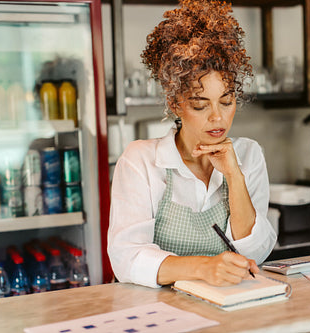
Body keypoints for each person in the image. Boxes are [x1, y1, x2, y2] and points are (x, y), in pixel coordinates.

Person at [108, 0, 277, 288]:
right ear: (176, 104)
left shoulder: (249, 154)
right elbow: (126, 259)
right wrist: (203, 268)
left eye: (226, 102)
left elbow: (256, 252)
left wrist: (234, 176)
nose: (217, 117)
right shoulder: (141, 161)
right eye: (200, 105)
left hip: (226, 307)